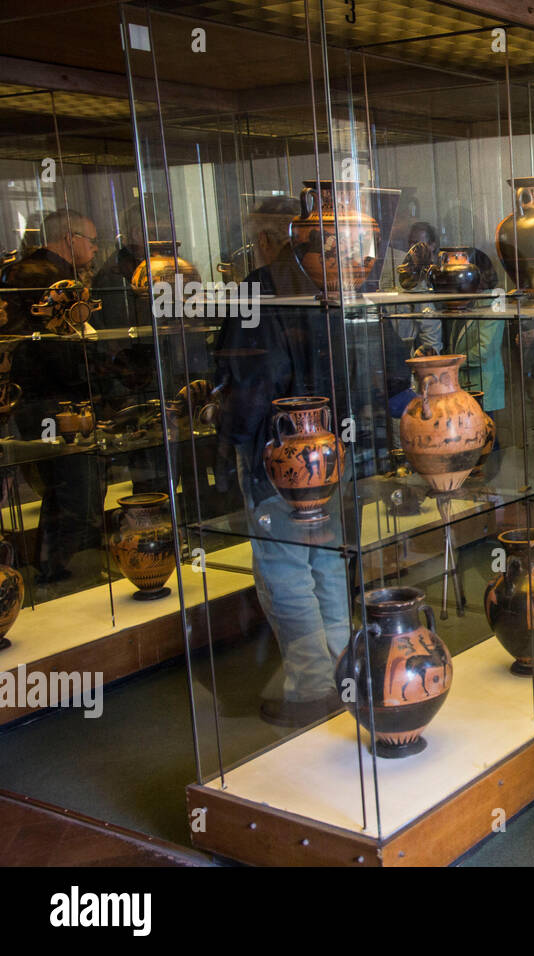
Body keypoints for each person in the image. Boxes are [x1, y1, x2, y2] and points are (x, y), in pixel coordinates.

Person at [213, 198, 350, 727]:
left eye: (256, 240)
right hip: (334, 451)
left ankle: (314, 685)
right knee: (327, 561)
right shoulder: (330, 286)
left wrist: (231, 445)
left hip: (281, 457)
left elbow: (251, 385)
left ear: (272, 240)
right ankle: (342, 672)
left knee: (286, 569)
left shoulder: (261, 288)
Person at [0, 209, 105, 585]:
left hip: (36, 398)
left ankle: (55, 567)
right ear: (69, 237)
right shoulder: (48, 277)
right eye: (91, 241)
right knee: (74, 488)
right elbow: (53, 348)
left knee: (66, 486)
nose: (94, 248)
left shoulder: (26, 272)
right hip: (51, 399)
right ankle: (56, 571)